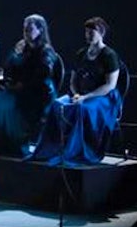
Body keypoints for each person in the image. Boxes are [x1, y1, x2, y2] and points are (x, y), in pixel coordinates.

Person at [28, 17, 122, 166]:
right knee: (57, 105)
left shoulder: (109, 55)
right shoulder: (81, 53)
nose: (89, 34)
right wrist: (77, 93)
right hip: (81, 94)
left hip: (102, 97)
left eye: (93, 31)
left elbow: (110, 85)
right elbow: (73, 80)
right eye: (87, 31)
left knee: (81, 109)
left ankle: (77, 151)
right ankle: (49, 149)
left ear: (101, 33)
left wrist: (86, 97)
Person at [0, 14, 57, 157]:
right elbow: (8, 69)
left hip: (35, 92)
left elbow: (42, 76)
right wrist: (15, 55)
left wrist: (21, 85)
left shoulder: (45, 51)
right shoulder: (22, 47)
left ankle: (11, 144)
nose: (25, 32)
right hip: (16, 89)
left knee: (2, 104)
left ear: (40, 30)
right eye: (24, 29)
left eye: (29, 29)